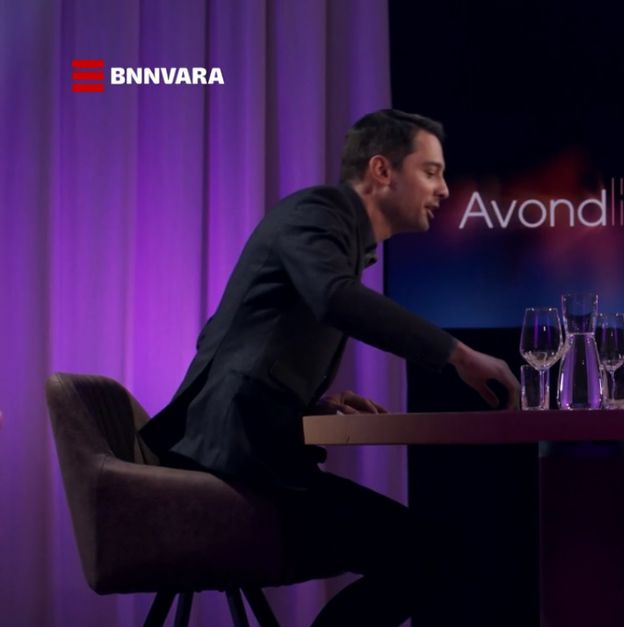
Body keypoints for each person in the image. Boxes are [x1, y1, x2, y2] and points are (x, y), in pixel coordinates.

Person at [140, 109, 519, 626]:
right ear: (382, 171)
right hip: (233, 463)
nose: (445, 189)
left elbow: (225, 336)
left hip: (243, 456)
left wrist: (308, 403)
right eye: (431, 171)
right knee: (432, 556)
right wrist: (458, 354)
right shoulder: (319, 213)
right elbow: (332, 297)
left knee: (429, 554)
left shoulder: (330, 231)